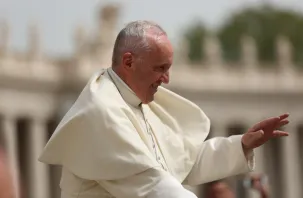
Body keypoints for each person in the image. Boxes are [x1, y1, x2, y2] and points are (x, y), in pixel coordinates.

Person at [39, 20, 289, 198]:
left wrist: (241, 145)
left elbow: (184, 161)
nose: (166, 79)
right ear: (128, 61)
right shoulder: (101, 110)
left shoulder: (138, 103)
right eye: (160, 68)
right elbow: (153, 185)